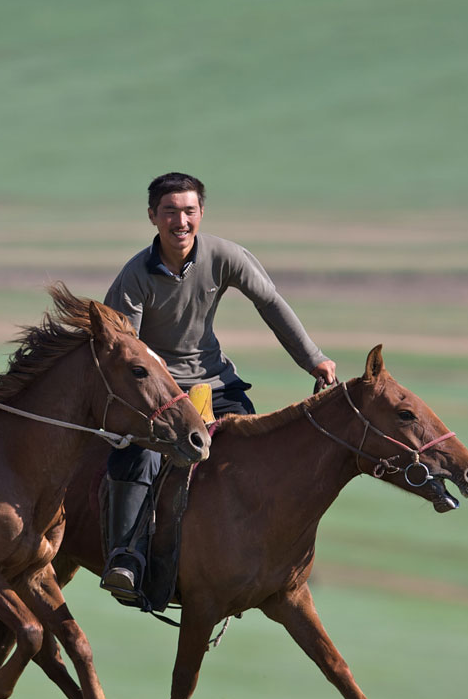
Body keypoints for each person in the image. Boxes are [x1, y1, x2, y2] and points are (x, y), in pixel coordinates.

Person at [99, 172, 337, 601]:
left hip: (213, 382)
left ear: (201, 213)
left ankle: (264, 552)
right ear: (153, 216)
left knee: (259, 451)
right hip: (160, 391)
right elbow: (126, 353)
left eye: (189, 211)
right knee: (137, 455)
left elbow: (270, 303)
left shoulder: (225, 256)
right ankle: (126, 558)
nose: (181, 221)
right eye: (169, 211)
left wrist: (313, 358)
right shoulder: (134, 276)